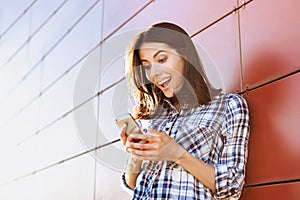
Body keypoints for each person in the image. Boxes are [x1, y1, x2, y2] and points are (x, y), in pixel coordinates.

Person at [118, 22, 250, 199]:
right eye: (147, 65)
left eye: (162, 59)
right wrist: (136, 154)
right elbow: (132, 183)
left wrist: (177, 154)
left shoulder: (228, 107)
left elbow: (232, 187)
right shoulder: (150, 120)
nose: (154, 73)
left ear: (185, 56)